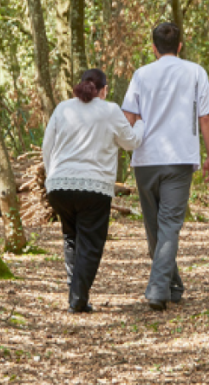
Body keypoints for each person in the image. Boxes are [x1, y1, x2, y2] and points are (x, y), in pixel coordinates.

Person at [122, 22, 209, 311]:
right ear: (180, 46)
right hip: (179, 159)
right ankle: (169, 285)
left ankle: (159, 289)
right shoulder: (195, 72)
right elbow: (205, 119)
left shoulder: (141, 75)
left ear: (153, 48)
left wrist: (130, 149)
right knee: (165, 228)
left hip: (146, 159)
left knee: (158, 228)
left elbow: (128, 116)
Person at [43, 68, 145, 313]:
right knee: (91, 243)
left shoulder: (63, 108)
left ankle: (76, 292)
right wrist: (140, 124)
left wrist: (50, 177)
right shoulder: (110, 110)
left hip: (59, 186)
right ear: (104, 89)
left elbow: (48, 145)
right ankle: (77, 297)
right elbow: (131, 142)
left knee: (71, 237)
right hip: (93, 188)